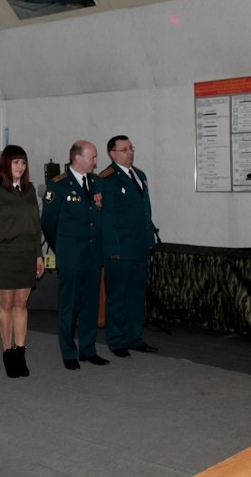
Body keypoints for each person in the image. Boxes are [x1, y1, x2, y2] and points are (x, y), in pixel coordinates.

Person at [41, 140, 108, 370]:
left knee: (91, 304)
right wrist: (62, 248)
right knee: (69, 305)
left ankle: (88, 349)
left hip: (93, 254)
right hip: (71, 256)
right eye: (93, 157)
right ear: (77, 158)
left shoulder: (97, 182)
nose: (96, 162)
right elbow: (48, 223)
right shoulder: (58, 185)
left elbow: (100, 217)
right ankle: (68, 351)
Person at [97, 135, 158, 358]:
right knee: (117, 296)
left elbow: (145, 211)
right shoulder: (106, 179)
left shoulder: (140, 175)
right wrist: (112, 249)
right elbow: (106, 218)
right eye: (124, 149)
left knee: (136, 296)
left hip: (139, 246)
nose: (129, 152)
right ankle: (116, 340)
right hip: (120, 249)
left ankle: (134, 337)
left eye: (131, 148)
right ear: (112, 154)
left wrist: (149, 240)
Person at [0, 145, 45, 378]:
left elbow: (35, 224)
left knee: (22, 304)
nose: (20, 167)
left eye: (23, 162)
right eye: (15, 162)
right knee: (6, 304)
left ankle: (20, 351)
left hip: (27, 253)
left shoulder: (28, 190)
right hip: (4, 253)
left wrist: (39, 254)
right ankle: (7, 351)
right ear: (5, 164)